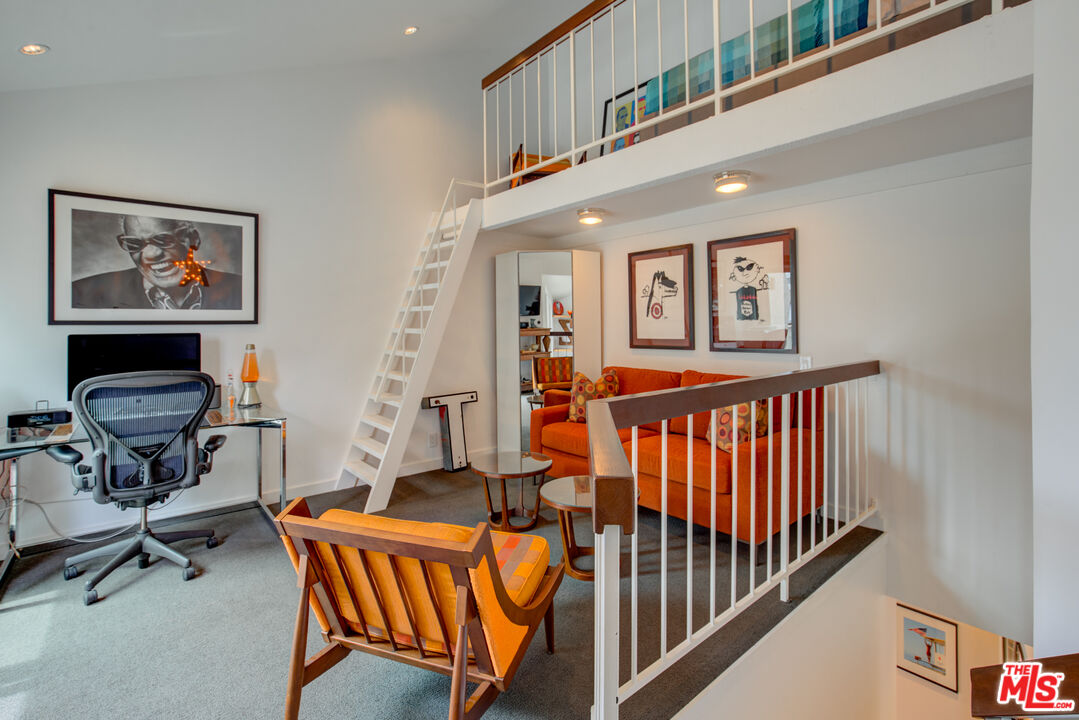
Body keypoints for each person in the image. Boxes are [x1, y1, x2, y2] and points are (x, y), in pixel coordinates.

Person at [71, 215, 241, 310]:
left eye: (164, 240)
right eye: (134, 244)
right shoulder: (84, 293)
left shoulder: (240, 289)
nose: (151, 254)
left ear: (193, 238)